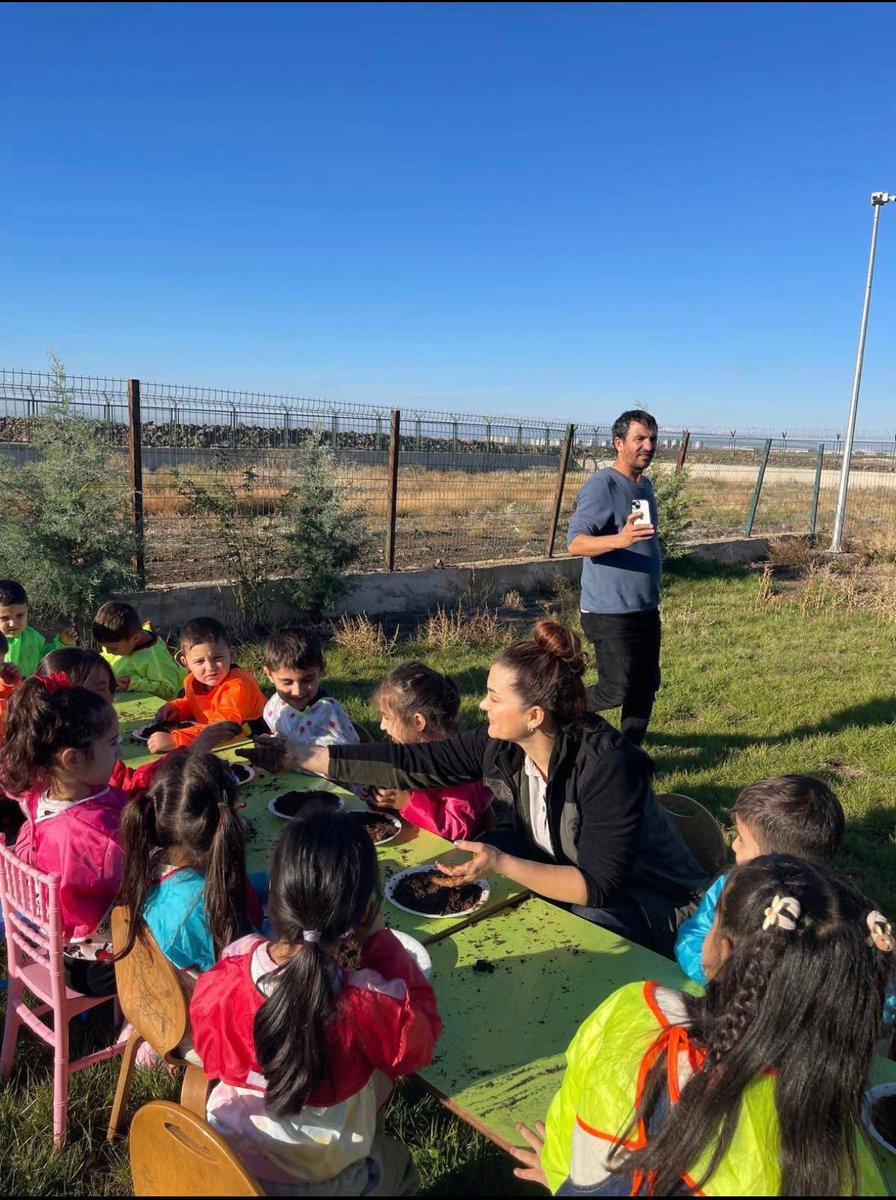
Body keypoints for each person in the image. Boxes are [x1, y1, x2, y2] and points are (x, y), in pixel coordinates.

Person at [239, 620, 709, 956]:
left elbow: (597, 887)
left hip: (654, 906)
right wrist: (297, 755)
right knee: (466, 858)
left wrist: (502, 862)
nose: (481, 704)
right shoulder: (503, 744)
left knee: (574, 925)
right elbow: (409, 762)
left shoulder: (608, 768)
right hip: (561, 866)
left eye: (494, 697)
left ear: (534, 715)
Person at [510, 855, 892, 1196]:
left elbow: (572, 1126)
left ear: (722, 950)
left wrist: (559, 1171)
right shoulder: (835, 1141)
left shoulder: (636, 1013)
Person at [189, 808, 442, 1196]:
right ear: (363, 912)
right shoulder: (368, 1003)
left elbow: (209, 1050)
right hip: (324, 1177)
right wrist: (379, 940)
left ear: (275, 894)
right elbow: (421, 1034)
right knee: (399, 1163)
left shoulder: (228, 971)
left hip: (229, 1163)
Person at [0, 673, 126, 995]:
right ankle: (143, 1025)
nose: (120, 752)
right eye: (113, 744)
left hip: (58, 943)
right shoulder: (99, 838)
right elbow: (144, 882)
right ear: (72, 759)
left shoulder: (38, 793)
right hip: (98, 965)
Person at [675, 774, 844, 985]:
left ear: (775, 861)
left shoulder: (837, 913)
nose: (734, 845)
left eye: (743, 840)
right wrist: (723, 979)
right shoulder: (727, 886)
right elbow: (692, 938)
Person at [117, 749, 260, 988]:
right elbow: (247, 976)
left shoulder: (147, 864)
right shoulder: (206, 906)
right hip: (211, 1011)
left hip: (161, 1003)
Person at [566, 410, 661, 746]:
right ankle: (557, 712)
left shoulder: (643, 485)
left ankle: (629, 753)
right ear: (619, 443)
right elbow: (575, 542)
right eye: (640, 438)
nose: (648, 446)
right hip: (609, 611)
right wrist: (619, 540)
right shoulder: (602, 485)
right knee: (615, 689)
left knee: (645, 685)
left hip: (645, 608)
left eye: (652, 438)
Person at [367, 661, 493, 841]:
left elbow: (456, 830)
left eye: (387, 718)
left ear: (418, 722)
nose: (382, 726)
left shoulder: (458, 763)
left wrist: (407, 803)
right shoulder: (405, 750)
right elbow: (394, 811)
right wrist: (381, 797)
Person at [147, 617, 265, 754]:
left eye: (217, 658)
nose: (210, 667)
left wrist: (176, 739)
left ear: (231, 654)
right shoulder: (192, 680)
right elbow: (192, 702)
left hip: (251, 743)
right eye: (199, 661)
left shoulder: (238, 685)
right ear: (186, 663)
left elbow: (222, 729)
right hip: (213, 744)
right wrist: (176, 708)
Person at [262, 625, 359, 747]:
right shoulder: (276, 704)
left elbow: (344, 758)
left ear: (321, 670)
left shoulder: (327, 712)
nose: (297, 691)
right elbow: (280, 734)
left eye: (307, 680)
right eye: (287, 682)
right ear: (269, 674)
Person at [92, 600, 184, 700]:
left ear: (135, 638)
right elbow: (107, 657)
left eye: (113, 649)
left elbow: (169, 691)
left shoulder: (154, 658)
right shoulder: (123, 640)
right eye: (105, 647)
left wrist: (135, 684)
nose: (109, 651)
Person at [0, 579, 76, 677]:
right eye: (4, 618)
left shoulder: (33, 637)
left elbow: (46, 659)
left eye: (20, 615)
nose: (13, 623)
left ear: (27, 611)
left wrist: (63, 643)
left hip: (28, 689)